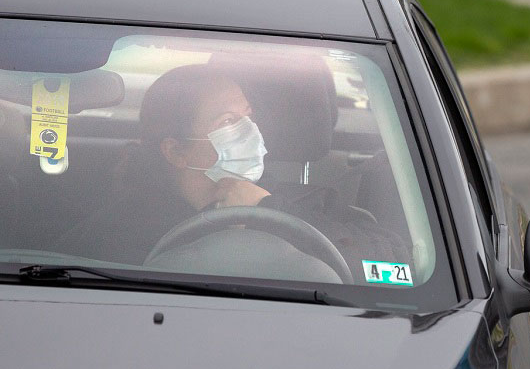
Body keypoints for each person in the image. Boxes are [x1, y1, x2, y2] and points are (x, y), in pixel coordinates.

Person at [54, 64, 408, 282]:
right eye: (227, 121)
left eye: (249, 116)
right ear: (176, 150)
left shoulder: (305, 203)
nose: (250, 130)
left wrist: (272, 210)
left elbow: (397, 270)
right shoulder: (122, 228)